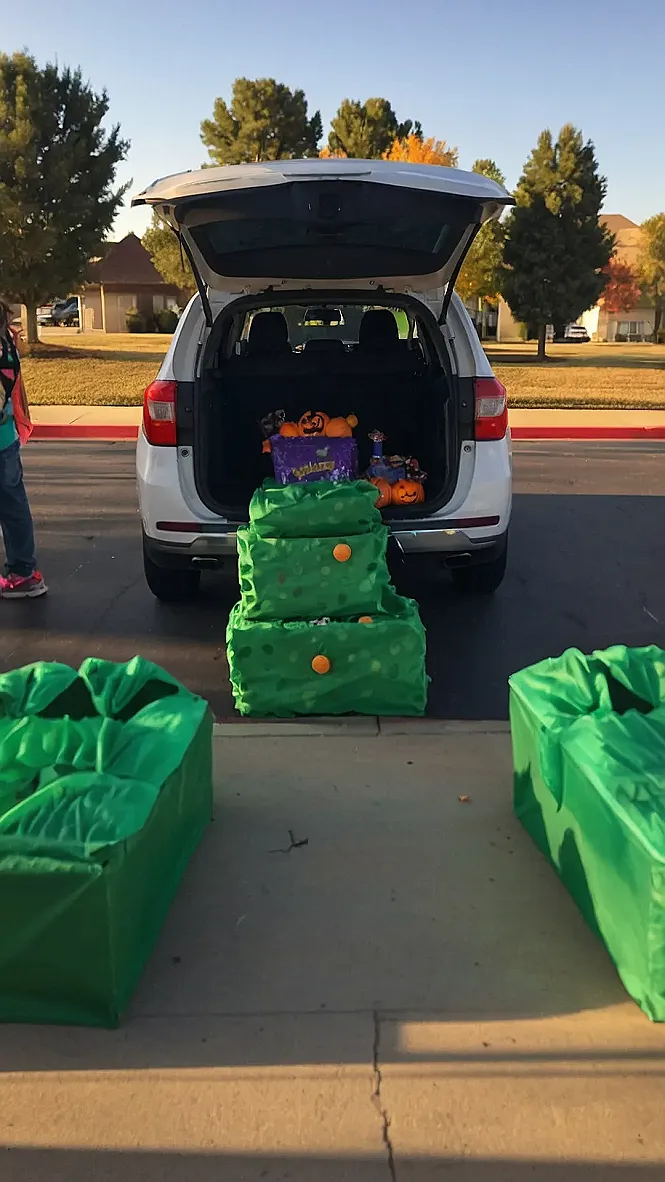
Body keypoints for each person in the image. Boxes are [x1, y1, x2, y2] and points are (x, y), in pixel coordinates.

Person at [0, 302, 47, 597]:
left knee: (13, 506)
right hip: (6, 437)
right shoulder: (7, 342)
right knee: (14, 507)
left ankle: (23, 573)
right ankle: (24, 573)